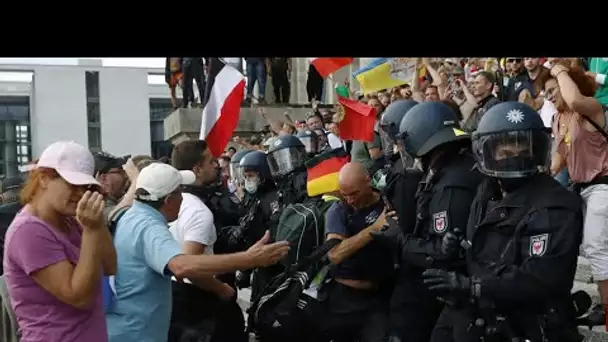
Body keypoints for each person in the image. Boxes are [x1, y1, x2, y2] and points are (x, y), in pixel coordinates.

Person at [423, 102, 584, 342]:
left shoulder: (555, 204)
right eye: (505, 152)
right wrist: (454, 249)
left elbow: (540, 279)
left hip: (525, 326)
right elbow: (480, 250)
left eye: (522, 149)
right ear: (486, 152)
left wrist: (473, 286)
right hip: (477, 313)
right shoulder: (487, 190)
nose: (514, 157)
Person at [105, 163, 289, 342]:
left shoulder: (132, 215)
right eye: (180, 192)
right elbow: (182, 267)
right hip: (136, 334)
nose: (184, 197)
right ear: (168, 200)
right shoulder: (148, 227)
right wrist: (249, 259)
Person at [373, 101, 484, 342]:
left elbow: (442, 252)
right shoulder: (453, 167)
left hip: (445, 290)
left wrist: (399, 240)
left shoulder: (451, 185)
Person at [3, 141, 116, 342]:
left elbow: (110, 266)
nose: (80, 194)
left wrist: (98, 224)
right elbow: (79, 297)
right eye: (73, 185)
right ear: (44, 178)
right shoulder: (29, 230)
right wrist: (91, 230)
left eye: (86, 187)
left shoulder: (71, 220)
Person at [318, 162, 395, 342]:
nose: (350, 199)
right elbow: (334, 254)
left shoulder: (386, 201)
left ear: (367, 182)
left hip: (380, 296)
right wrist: (374, 229)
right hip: (344, 299)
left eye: (354, 193)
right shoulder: (339, 210)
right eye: (345, 195)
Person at [236, 151, 282, 301]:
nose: (248, 180)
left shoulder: (274, 199)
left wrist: (245, 268)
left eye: (251, 175)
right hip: (257, 263)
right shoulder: (252, 198)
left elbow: (267, 234)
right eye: (246, 176)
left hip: (272, 264)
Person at [266, 135, 309, 206]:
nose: (282, 162)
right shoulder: (281, 183)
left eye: (287, 156)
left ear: (300, 155)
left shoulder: (304, 178)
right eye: (278, 158)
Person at [93, 152, 130, 221]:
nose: (126, 177)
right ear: (104, 179)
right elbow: (123, 216)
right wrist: (136, 180)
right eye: (121, 172)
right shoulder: (97, 208)